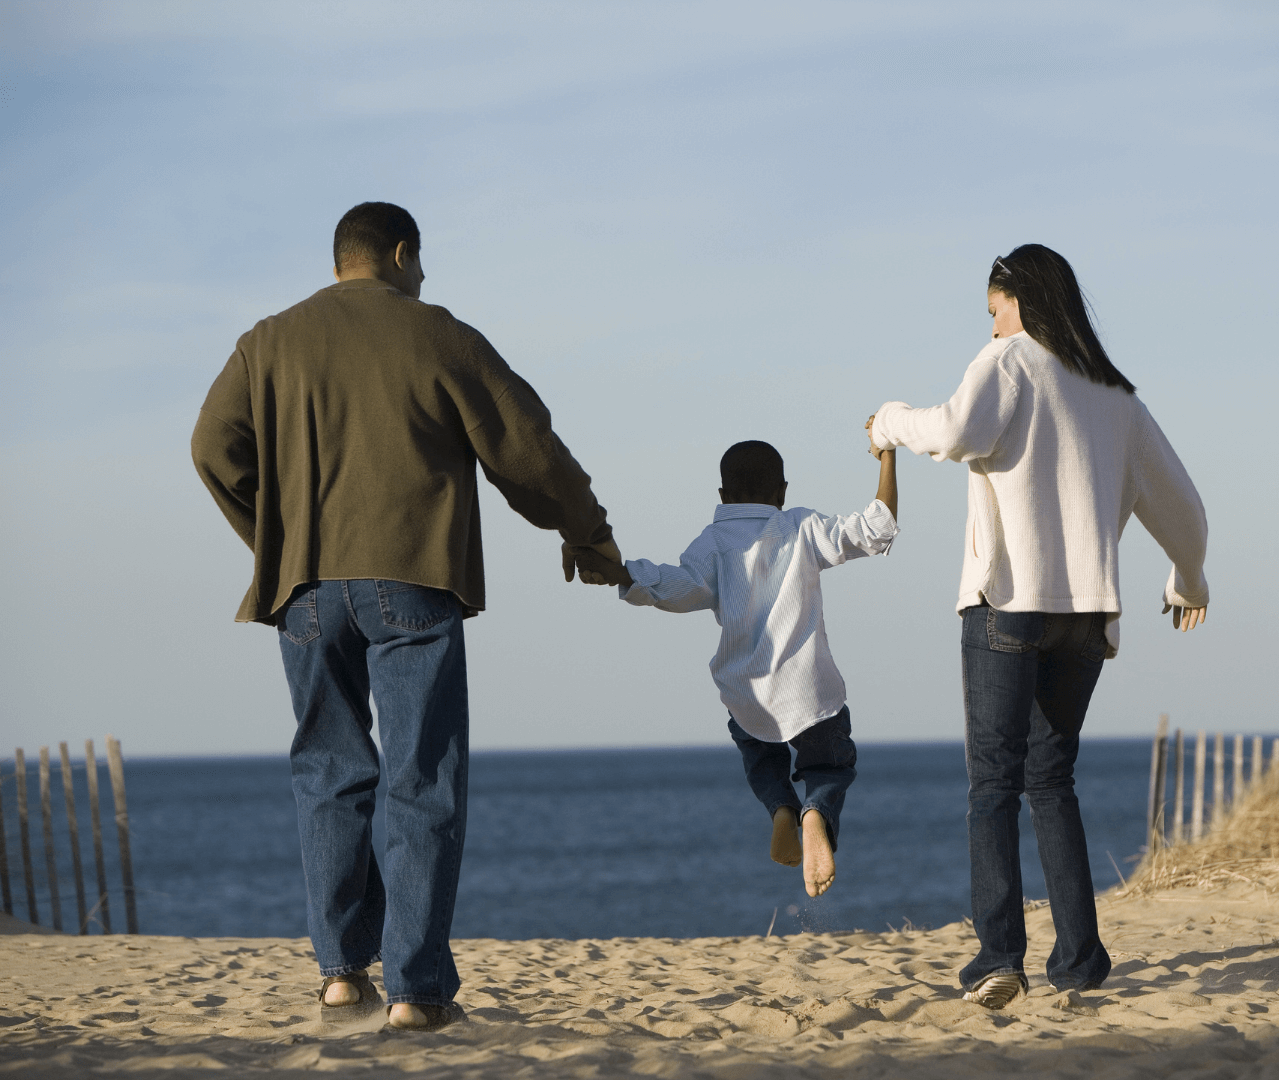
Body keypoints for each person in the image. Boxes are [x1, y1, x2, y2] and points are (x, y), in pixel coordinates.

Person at [190, 202, 622, 1030]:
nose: (423, 280)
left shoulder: (267, 340)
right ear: (399, 253)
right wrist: (588, 535)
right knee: (421, 779)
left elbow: (212, 446)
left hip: (304, 588)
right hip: (411, 579)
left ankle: (342, 974)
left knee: (329, 774)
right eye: (419, 266)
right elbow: (526, 447)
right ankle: (418, 992)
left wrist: (274, 541)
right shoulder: (437, 333)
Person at [866, 244, 1208, 1011]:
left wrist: (887, 423)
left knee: (993, 783)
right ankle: (1080, 964)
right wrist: (1188, 579)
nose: (991, 327)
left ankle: (999, 959)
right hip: (1086, 618)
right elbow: (1184, 508)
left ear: (1019, 298)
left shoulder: (1009, 362)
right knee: (1052, 783)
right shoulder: (1116, 396)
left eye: (993, 310)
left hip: (1007, 606)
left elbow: (954, 432)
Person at [576, 440, 897, 897]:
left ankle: (781, 808)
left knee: (761, 759)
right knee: (830, 766)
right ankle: (814, 814)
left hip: (748, 696)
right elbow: (875, 530)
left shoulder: (714, 543)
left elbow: (675, 587)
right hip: (810, 692)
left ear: (722, 495)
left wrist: (620, 573)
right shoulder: (801, 526)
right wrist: (888, 456)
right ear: (782, 491)